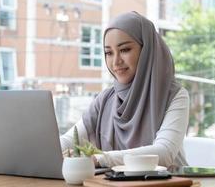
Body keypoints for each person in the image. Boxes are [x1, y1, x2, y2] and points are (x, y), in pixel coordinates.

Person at [60, 11, 189, 169]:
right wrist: (45, 151)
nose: (116, 61)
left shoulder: (174, 95)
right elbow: (70, 139)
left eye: (125, 50)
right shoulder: (106, 99)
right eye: (109, 53)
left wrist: (100, 159)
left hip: (172, 182)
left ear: (146, 50)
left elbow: (163, 153)